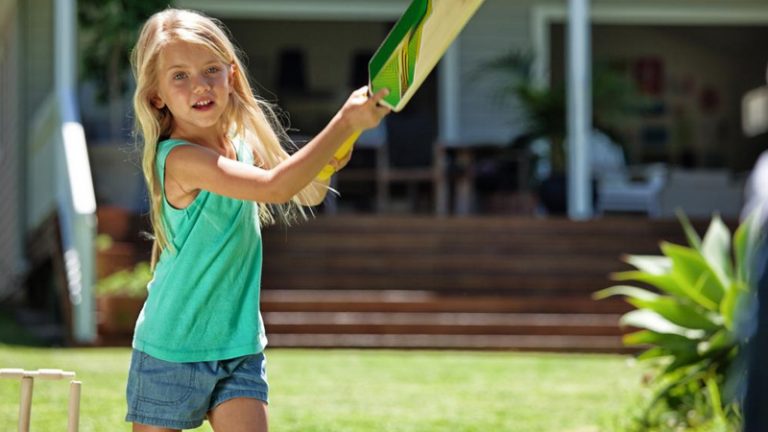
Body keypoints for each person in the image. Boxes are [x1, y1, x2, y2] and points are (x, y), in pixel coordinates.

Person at [126, 8, 390, 431]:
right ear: (156, 95)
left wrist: (331, 158)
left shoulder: (242, 143)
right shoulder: (179, 158)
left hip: (238, 343)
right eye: (180, 76)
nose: (200, 85)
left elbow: (306, 191)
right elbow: (275, 187)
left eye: (211, 69)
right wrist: (342, 123)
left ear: (230, 75)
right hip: (171, 347)